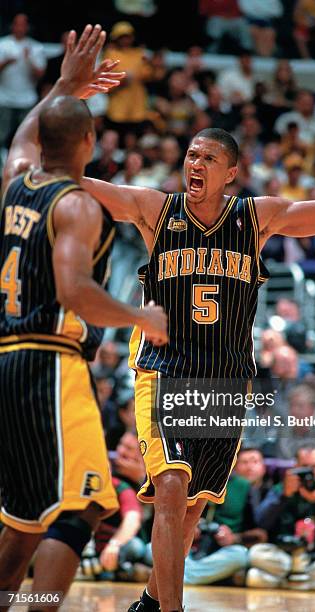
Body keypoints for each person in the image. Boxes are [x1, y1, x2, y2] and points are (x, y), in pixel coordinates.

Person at [82, 73, 315, 612]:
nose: (195, 163)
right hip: (165, 370)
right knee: (170, 490)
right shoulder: (155, 210)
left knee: (190, 512)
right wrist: (68, 109)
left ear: (231, 174)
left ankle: (151, 600)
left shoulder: (256, 218)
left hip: (225, 381)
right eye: (191, 154)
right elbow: (78, 185)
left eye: (208, 158)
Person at [0, 25, 167, 610]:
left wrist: (64, 85)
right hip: (49, 360)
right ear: (91, 140)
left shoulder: (16, 179)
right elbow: (74, 290)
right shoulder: (74, 203)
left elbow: (25, 136)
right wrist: (139, 316)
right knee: (85, 505)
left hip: (9, 360)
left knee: (24, 518)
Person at [248, 446, 315, 591]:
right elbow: (260, 522)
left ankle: (285, 583)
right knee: (256, 553)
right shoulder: (282, 489)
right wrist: (284, 497)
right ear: (295, 467)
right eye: (305, 467)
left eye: (314, 467)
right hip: (285, 557)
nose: (310, 472)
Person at [0, 14, 46, 153]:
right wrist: (6, 63)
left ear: (27, 27)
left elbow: (40, 75)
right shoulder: (2, 44)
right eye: (17, 24)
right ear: (12, 26)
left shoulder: (36, 47)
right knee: (2, 135)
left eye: (23, 24)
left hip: (27, 99)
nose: (20, 27)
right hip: (4, 98)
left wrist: (29, 59)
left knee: (25, 138)